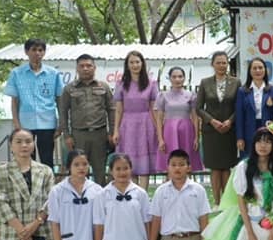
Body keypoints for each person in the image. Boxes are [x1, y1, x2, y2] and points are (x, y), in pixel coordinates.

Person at [3, 38, 63, 168]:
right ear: (26, 51)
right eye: (34, 50)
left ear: (44, 52)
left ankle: (48, 181)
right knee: (26, 158)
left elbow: (59, 100)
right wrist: (17, 124)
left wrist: (61, 124)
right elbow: (15, 101)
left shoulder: (53, 74)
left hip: (47, 122)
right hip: (25, 123)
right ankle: (28, 181)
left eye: (40, 50)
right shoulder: (17, 73)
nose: (37, 53)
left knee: (47, 159)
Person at [59, 54, 114, 185]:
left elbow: (112, 110)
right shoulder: (69, 89)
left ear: (94, 68)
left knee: (100, 172)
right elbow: (63, 112)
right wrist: (67, 135)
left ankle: (100, 196)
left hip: (99, 134)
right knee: (79, 170)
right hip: (78, 135)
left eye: (89, 65)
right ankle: (79, 195)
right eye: (82, 66)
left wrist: (112, 132)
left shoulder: (104, 87)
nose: (85, 68)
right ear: (77, 68)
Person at [196, 50, 240, 204]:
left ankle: (226, 202)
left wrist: (230, 121)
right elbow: (198, 108)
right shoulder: (205, 82)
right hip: (211, 131)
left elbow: (239, 106)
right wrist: (212, 121)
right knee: (214, 168)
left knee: (226, 167)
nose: (222, 65)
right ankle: (216, 202)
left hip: (229, 130)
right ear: (212, 64)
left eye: (224, 63)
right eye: (218, 63)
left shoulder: (236, 82)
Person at [113, 50, 159, 189]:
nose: (135, 65)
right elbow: (119, 110)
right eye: (131, 62)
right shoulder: (121, 84)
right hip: (127, 125)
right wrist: (116, 130)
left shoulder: (151, 83)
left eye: (137, 62)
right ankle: (132, 193)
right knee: (129, 160)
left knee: (144, 165)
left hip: (146, 124)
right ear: (127, 65)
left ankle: (143, 195)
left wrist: (158, 130)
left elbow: (154, 109)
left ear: (142, 64)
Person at [155, 67, 202, 173]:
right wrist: (160, 139)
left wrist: (196, 137)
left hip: (187, 131)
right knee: (170, 160)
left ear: (184, 78)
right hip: (169, 132)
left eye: (180, 76)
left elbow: (195, 117)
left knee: (187, 160)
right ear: (170, 78)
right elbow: (159, 118)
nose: (177, 79)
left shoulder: (191, 95)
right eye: (174, 77)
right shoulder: (163, 96)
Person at [235, 57, 273, 161]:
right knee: (249, 161)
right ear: (249, 71)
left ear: (265, 70)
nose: (258, 71)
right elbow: (239, 116)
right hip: (248, 132)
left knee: (267, 161)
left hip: (267, 130)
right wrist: (240, 137)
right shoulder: (242, 91)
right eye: (254, 68)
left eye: (260, 68)